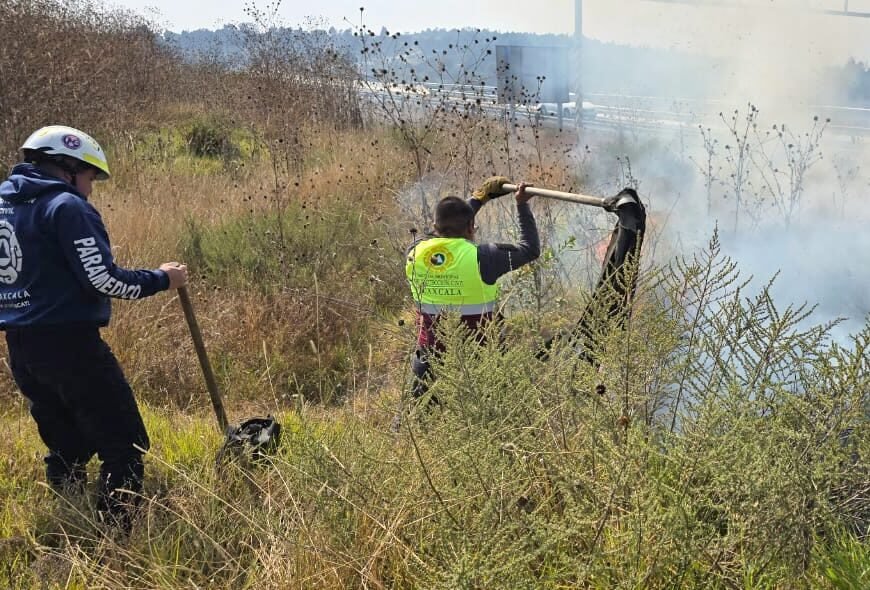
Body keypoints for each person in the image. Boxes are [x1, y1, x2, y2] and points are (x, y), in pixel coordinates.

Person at [0, 125, 188, 526]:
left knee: (65, 443)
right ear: (68, 167)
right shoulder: (66, 207)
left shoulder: (4, 204)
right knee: (124, 444)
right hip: (71, 346)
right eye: (89, 177)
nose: (90, 189)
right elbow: (104, 279)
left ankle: (68, 522)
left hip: (21, 348)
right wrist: (162, 278)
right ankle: (116, 540)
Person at [404, 176, 540, 402]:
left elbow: (436, 234)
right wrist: (522, 204)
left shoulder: (414, 252)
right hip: (480, 360)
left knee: (419, 423)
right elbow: (530, 249)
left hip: (429, 360)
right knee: (492, 423)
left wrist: (477, 200)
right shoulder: (483, 257)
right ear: (470, 226)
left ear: (436, 226)